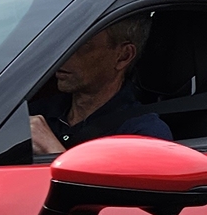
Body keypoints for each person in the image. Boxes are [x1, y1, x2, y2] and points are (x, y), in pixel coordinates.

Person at [26, 16, 172, 155]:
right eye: (64, 44)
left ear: (123, 56)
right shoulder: (38, 112)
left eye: (81, 44)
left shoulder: (144, 133)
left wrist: (51, 150)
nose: (63, 55)